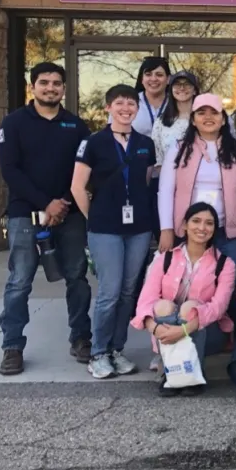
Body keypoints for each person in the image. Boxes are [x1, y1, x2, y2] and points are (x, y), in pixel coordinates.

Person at [0, 62, 92, 375]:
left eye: (56, 83)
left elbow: (83, 172)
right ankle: (12, 345)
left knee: (77, 277)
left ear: (64, 88)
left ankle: (81, 338)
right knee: (19, 282)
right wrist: (45, 203)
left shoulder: (76, 126)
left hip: (69, 213)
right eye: (44, 82)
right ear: (32, 86)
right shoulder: (12, 124)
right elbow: (10, 171)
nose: (50, 88)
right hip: (26, 213)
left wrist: (61, 203)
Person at [70, 84, 157, 379]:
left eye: (131, 103)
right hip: (105, 228)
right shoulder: (93, 142)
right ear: (108, 107)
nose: (126, 108)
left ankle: (117, 349)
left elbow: (145, 182)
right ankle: (98, 352)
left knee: (129, 291)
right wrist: (93, 218)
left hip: (139, 228)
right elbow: (77, 187)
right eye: (119, 103)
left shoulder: (146, 143)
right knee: (109, 291)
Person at [133, 202, 236, 396]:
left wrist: (183, 330)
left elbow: (218, 307)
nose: (202, 228)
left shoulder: (225, 264)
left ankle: (193, 374)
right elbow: (145, 301)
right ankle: (171, 373)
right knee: (162, 306)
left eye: (209, 223)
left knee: (190, 307)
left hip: (207, 332)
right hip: (164, 330)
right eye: (196, 221)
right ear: (185, 226)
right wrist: (155, 328)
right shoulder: (165, 258)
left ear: (214, 230)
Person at [157, 94, 236, 277]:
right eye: (201, 113)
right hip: (189, 231)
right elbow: (166, 191)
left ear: (223, 119)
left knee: (229, 284)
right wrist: (166, 228)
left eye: (214, 113)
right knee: (189, 282)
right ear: (193, 120)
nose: (208, 117)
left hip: (227, 231)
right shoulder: (178, 149)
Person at [150, 70, 199, 177]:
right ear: (171, 90)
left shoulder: (203, 120)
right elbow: (157, 158)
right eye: (177, 84)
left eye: (187, 84)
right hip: (169, 182)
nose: (182, 88)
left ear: (195, 90)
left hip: (201, 182)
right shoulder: (161, 122)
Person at [131, 56, 171, 137]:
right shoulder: (128, 103)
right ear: (142, 79)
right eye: (148, 74)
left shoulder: (178, 103)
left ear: (168, 79)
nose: (153, 79)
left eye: (159, 75)